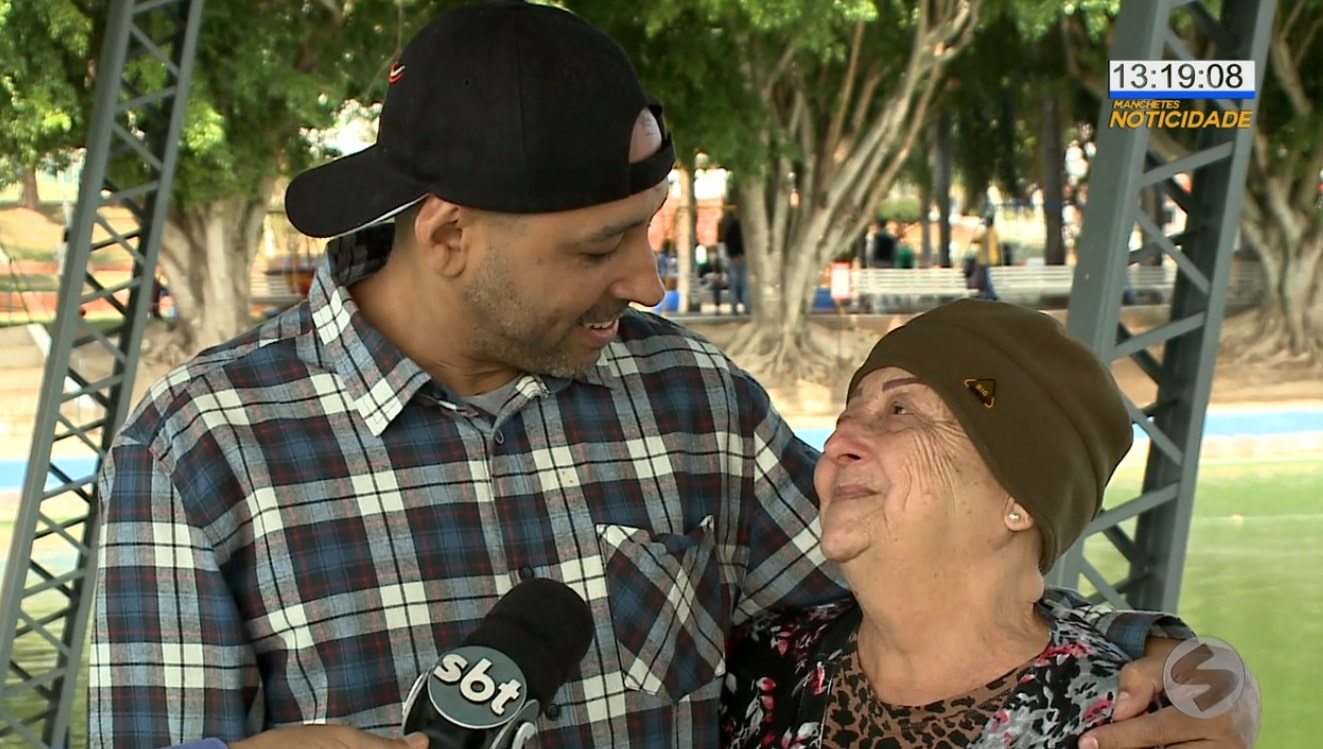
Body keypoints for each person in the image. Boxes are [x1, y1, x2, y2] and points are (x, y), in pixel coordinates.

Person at [88, 3, 1260, 749]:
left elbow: (950, 598)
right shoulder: (198, 454)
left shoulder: (692, 402)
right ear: (447, 235)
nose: (649, 282)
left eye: (648, 228)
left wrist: (1194, 670)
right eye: (600, 247)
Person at [720, 300, 1227, 747]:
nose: (835, 445)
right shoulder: (761, 668)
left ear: (1019, 498)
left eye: (900, 410)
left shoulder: (1127, 723)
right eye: (844, 419)